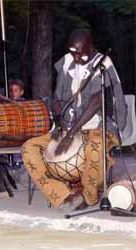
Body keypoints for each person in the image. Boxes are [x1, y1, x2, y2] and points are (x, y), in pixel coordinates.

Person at [21, 29, 127, 212]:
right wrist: (59, 123)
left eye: (80, 52)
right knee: (29, 148)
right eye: (73, 52)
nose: (76, 57)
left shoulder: (103, 63)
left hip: (99, 127)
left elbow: (96, 102)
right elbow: (56, 99)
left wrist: (70, 135)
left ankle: (89, 195)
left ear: (91, 47)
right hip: (69, 126)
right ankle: (63, 195)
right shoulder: (67, 62)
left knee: (96, 145)